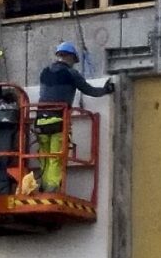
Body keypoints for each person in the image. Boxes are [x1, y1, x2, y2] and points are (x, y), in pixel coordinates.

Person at [36, 42, 115, 192]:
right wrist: (106, 90)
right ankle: (52, 187)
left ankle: (44, 186)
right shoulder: (71, 74)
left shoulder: (45, 72)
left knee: (44, 155)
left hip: (40, 120)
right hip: (58, 121)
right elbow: (89, 90)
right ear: (70, 57)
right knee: (56, 157)